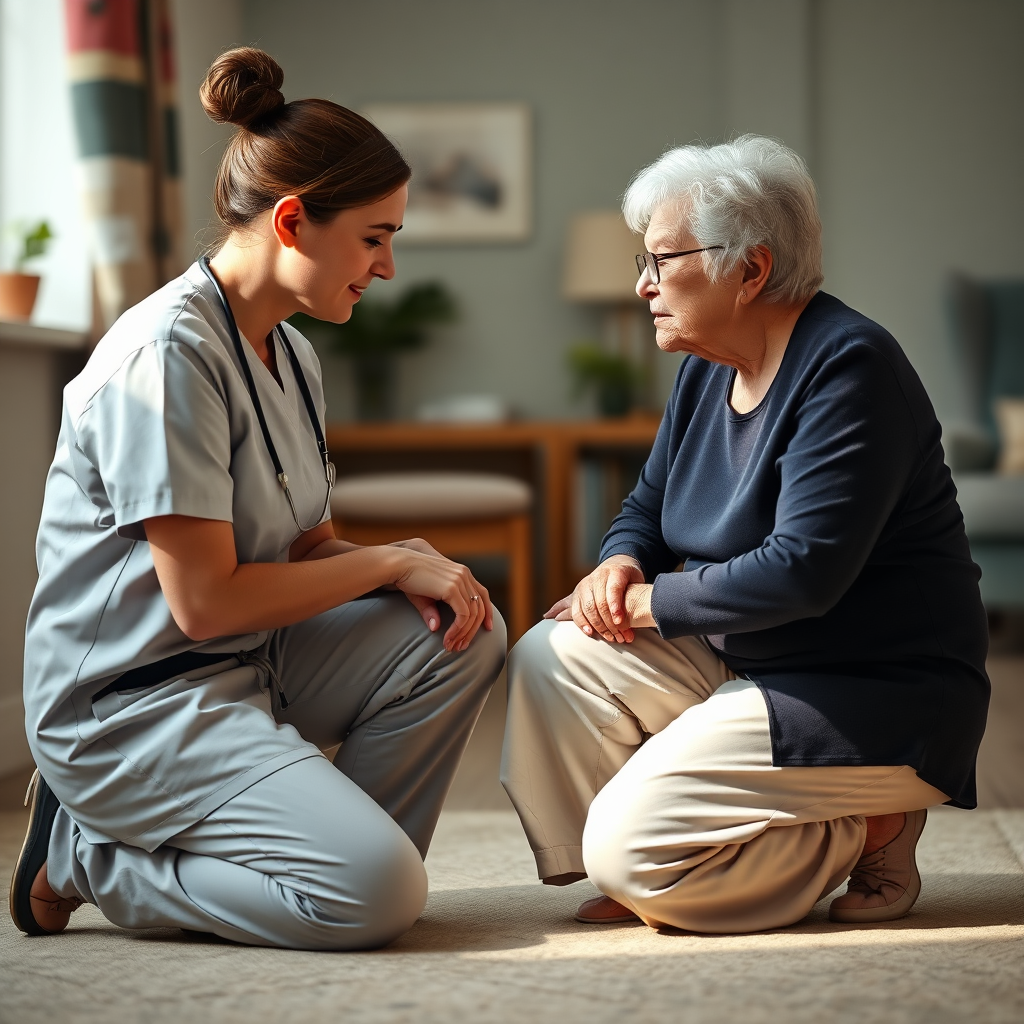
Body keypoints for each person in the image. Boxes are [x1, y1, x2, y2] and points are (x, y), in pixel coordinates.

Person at [10, 48, 505, 951]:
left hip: (251, 663)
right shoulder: (166, 354)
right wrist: (388, 563)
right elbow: (203, 603)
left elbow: (308, 549)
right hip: (133, 705)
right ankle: (87, 853)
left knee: (460, 630)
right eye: (374, 237)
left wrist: (409, 566)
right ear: (292, 221)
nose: (387, 266)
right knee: (376, 899)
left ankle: (326, 860)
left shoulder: (291, 351)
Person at [500, 136, 989, 934]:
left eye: (662, 260)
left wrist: (646, 604)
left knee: (633, 853)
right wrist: (619, 563)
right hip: (748, 658)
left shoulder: (850, 367)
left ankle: (869, 829)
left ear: (750, 270)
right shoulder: (709, 365)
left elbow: (801, 572)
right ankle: (646, 870)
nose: (642, 284)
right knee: (551, 655)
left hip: (871, 693)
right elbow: (647, 506)